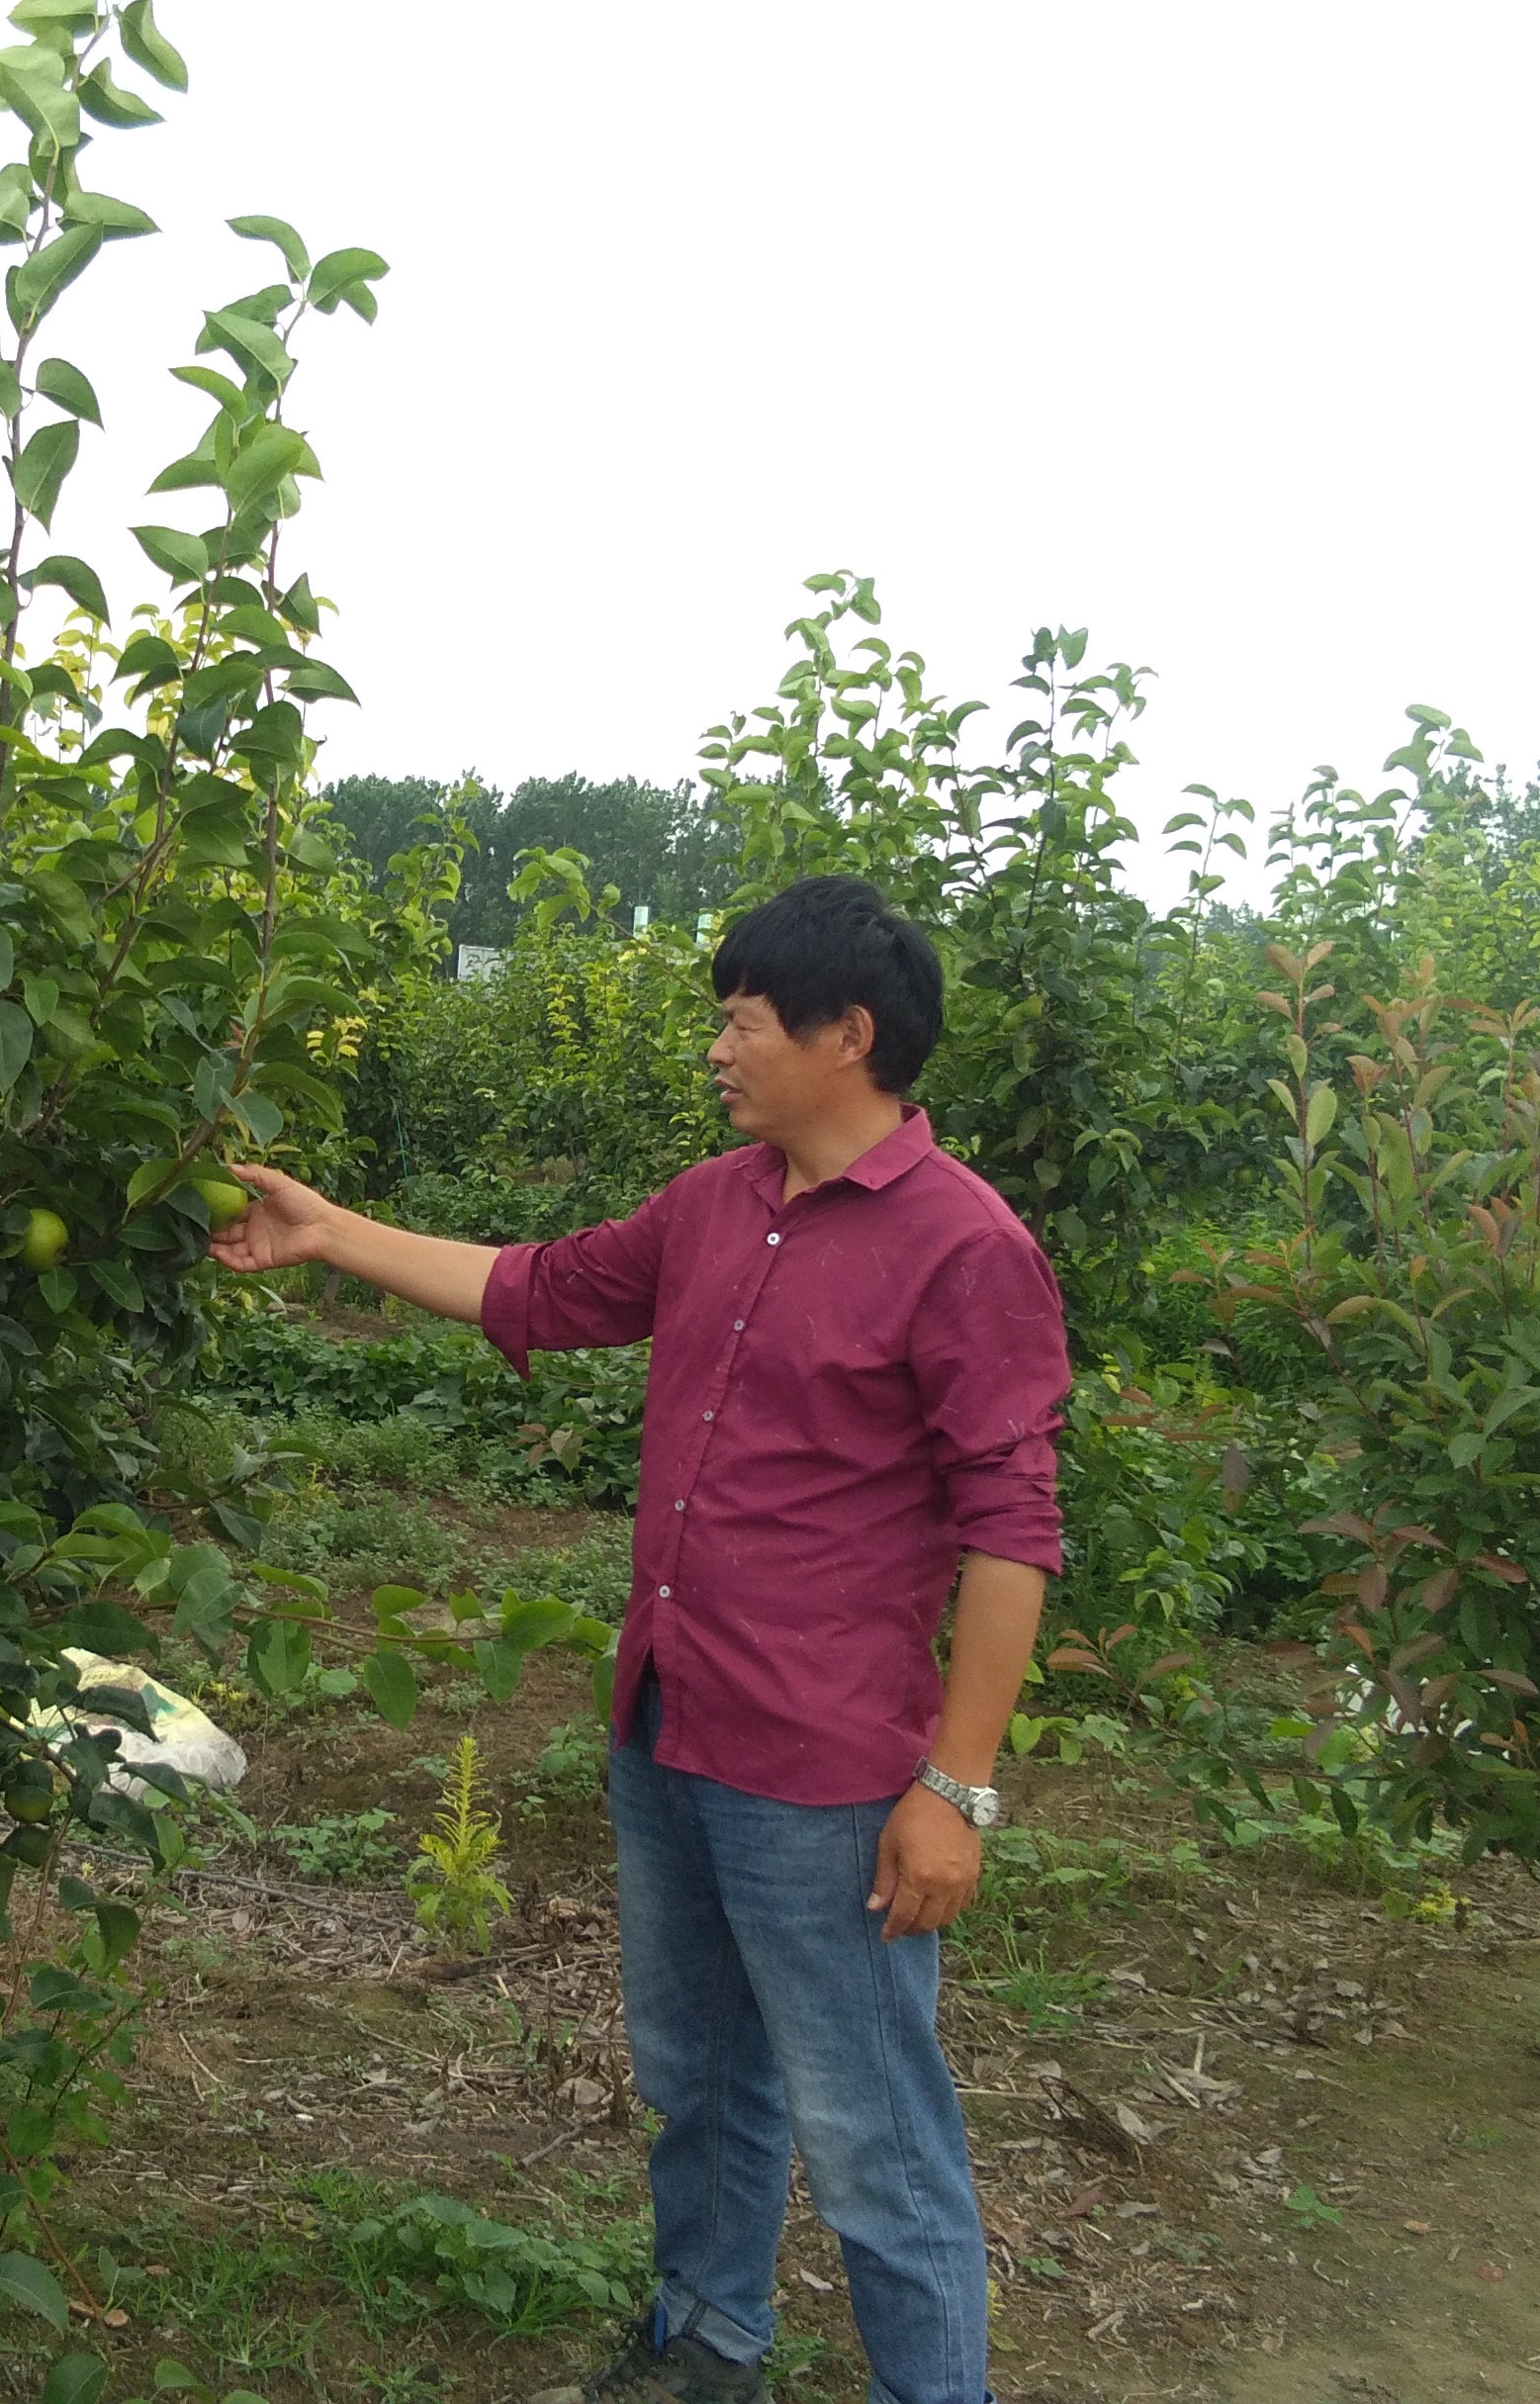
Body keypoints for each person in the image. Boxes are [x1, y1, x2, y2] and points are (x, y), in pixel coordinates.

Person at [213, 874, 1066, 2404]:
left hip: (822, 1770)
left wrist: (959, 1785)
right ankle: (711, 2343)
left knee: (875, 2129)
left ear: (846, 1034)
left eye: (742, 1023)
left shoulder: (964, 1247)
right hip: (671, 1723)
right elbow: (532, 1289)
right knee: (700, 2083)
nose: (720, 1052)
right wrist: (330, 1234)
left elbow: (1012, 1533)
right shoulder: (715, 1204)